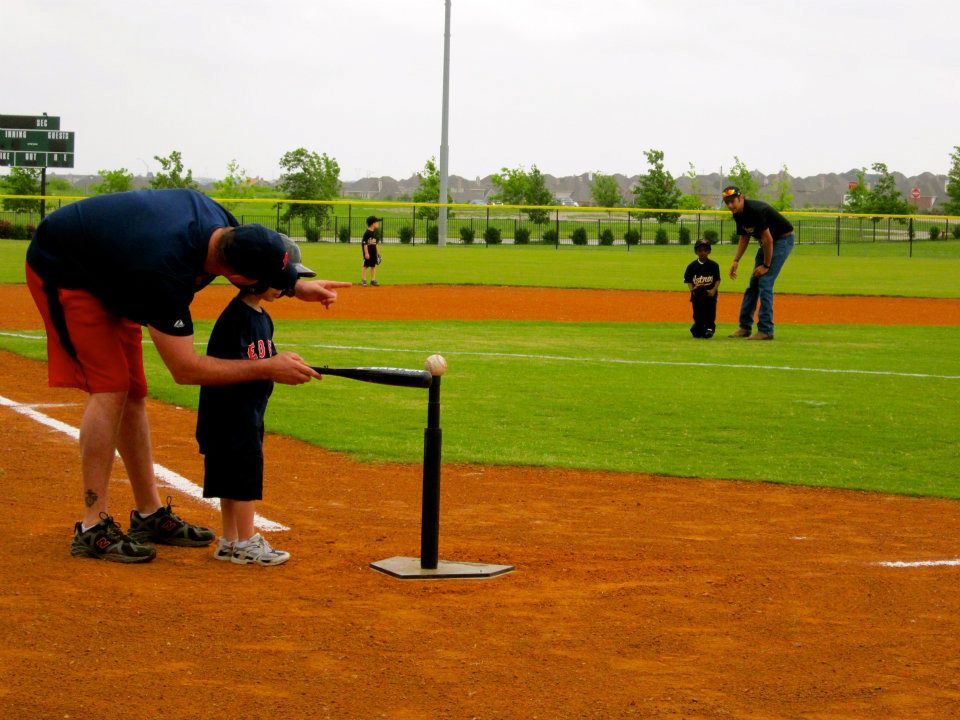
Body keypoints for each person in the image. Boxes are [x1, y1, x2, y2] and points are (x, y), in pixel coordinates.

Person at [25, 188, 350, 563]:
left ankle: (149, 515)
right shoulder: (163, 272)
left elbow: (253, 258)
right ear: (238, 276)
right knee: (110, 386)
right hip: (66, 267)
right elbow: (185, 369)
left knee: (134, 391)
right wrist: (267, 366)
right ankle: (92, 525)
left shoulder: (225, 227)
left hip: (117, 268)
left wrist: (294, 286)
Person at [198, 236, 315, 566]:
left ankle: (229, 542)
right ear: (260, 277)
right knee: (242, 477)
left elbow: (264, 358)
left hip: (236, 412)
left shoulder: (260, 316)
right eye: (280, 280)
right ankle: (247, 541)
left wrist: (286, 363)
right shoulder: (236, 319)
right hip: (233, 414)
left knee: (229, 476)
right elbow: (236, 367)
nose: (285, 287)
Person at [722, 186, 795, 340]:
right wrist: (736, 260)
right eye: (726, 202)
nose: (730, 205)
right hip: (767, 242)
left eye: (732, 201)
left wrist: (766, 266)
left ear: (741, 198)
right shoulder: (737, 214)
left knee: (765, 281)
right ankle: (745, 327)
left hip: (782, 240)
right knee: (753, 283)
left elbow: (768, 239)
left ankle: (766, 330)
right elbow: (744, 236)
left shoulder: (754, 210)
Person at [684, 239, 721, 338]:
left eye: (705, 250)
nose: (702, 253)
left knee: (710, 312)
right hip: (698, 295)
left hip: (710, 294)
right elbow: (688, 280)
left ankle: (710, 327)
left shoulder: (714, 265)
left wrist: (713, 291)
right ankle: (698, 326)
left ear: (709, 251)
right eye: (700, 250)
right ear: (696, 252)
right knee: (697, 314)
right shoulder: (692, 266)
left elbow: (717, 279)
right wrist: (693, 290)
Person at [361, 215, 381, 287]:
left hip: (373, 252)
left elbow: (376, 244)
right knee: (365, 265)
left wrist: (378, 253)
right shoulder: (367, 233)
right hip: (368, 252)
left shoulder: (375, 232)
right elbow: (364, 244)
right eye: (377, 222)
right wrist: (366, 253)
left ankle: (373, 280)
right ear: (373, 224)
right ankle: (363, 280)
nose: (378, 223)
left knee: (373, 266)